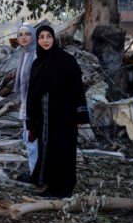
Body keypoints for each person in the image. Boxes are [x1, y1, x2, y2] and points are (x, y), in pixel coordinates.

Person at [26, 24, 89, 198]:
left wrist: (79, 115)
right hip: (44, 119)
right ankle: (51, 185)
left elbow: (77, 89)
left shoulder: (67, 61)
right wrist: (31, 120)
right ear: (37, 41)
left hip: (64, 117)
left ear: (54, 39)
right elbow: (32, 94)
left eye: (49, 36)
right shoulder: (37, 64)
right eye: (41, 37)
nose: (45, 40)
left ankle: (65, 188)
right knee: (47, 150)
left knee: (64, 150)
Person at [13, 24, 38, 177]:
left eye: (27, 34)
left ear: (33, 36)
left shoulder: (37, 55)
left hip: (34, 107)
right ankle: (33, 172)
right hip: (26, 105)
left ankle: (36, 174)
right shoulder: (23, 55)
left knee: (33, 141)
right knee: (29, 141)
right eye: (20, 34)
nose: (23, 37)